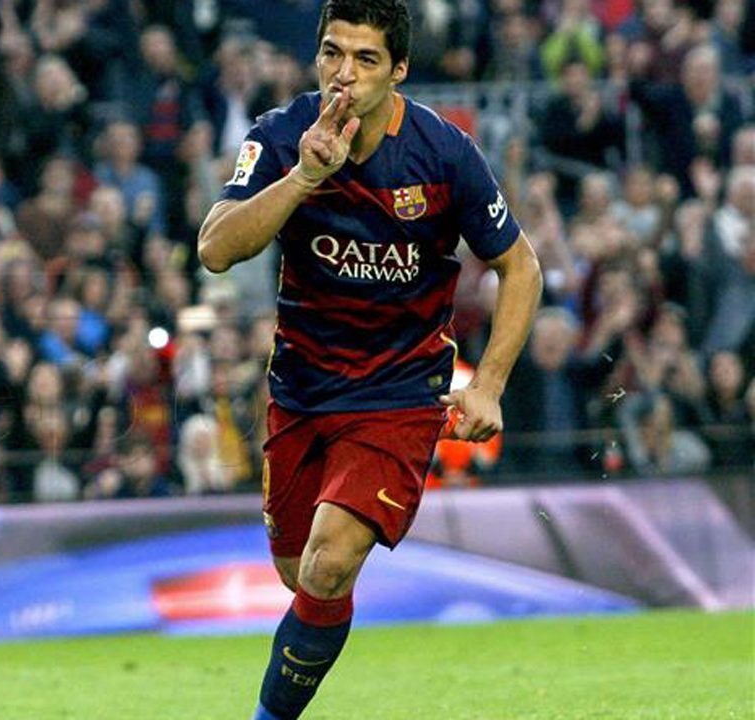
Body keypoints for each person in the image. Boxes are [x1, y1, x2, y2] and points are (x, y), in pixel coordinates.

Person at [195, 2, 542, 718]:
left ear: (399, 69)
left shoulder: (444, 154)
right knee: (301, 574)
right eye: (332, 53)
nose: (343, 75)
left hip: (398, 393)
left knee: (327, 563)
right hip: (301, 391)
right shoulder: (282, 135)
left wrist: (490, 385)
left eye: (365, 59)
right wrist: (302, 178)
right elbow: (215, 249)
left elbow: (521, 267)